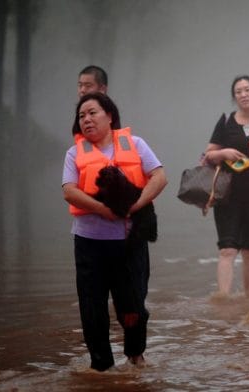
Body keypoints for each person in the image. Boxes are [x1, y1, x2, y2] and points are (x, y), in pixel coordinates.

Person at [62, 92, 167, 371]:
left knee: (132, 307)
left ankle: (135, 356)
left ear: (110, 116)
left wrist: (137, 205)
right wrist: (102, 209)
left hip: (129, 245)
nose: (86, 119)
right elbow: (69, 191)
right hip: (89, 245)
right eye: (81, 116)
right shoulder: (74, 153)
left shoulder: (135, 144)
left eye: (92, 113)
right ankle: (102, 367)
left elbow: (159, 177)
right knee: (92, 309)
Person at [201, 75, 249, 299]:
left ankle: (248, 300)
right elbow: (207, 155)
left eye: (248, 90)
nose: (244, 95)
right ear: (234, 97)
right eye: (239, 91)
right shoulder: (226, 121)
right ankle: (223, 299)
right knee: (227, 249)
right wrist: (223, 153)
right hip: (228, 194)